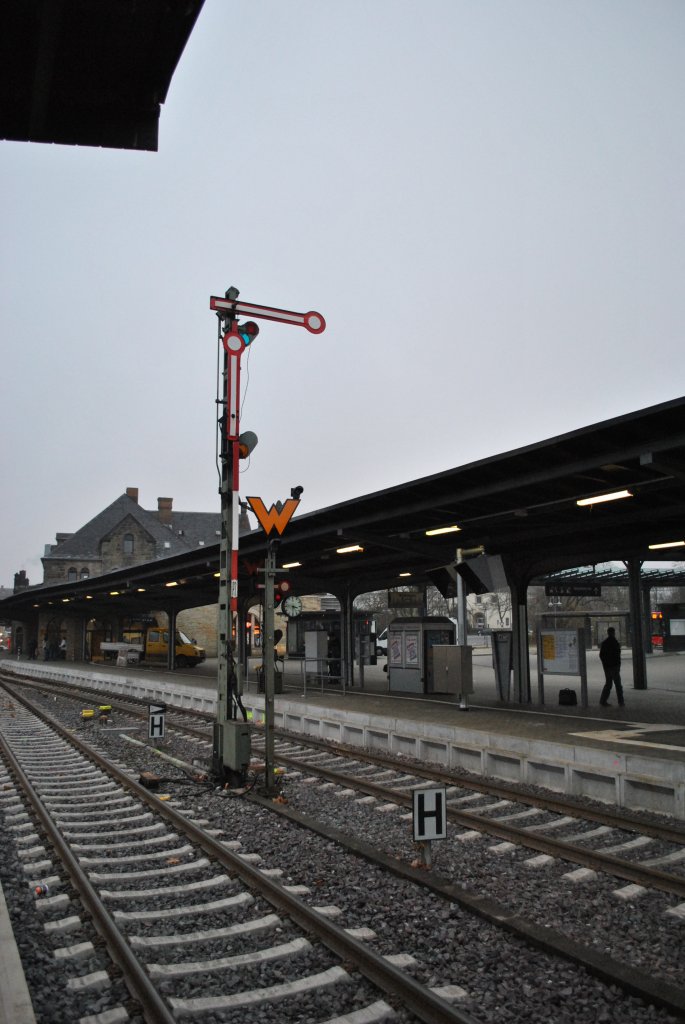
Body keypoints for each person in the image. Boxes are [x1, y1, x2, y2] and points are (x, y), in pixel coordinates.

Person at [599, 627, 624, 707]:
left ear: (607, 633)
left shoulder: (605, 643)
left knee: (608, 684)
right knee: (618, 685)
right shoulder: (615, 643)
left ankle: (603, 700)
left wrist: (605, 665)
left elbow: (601, 655)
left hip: (607, 667)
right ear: (613, 632)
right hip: (614, 666)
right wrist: (618, 665)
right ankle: (621, 702)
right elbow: (617, 656)